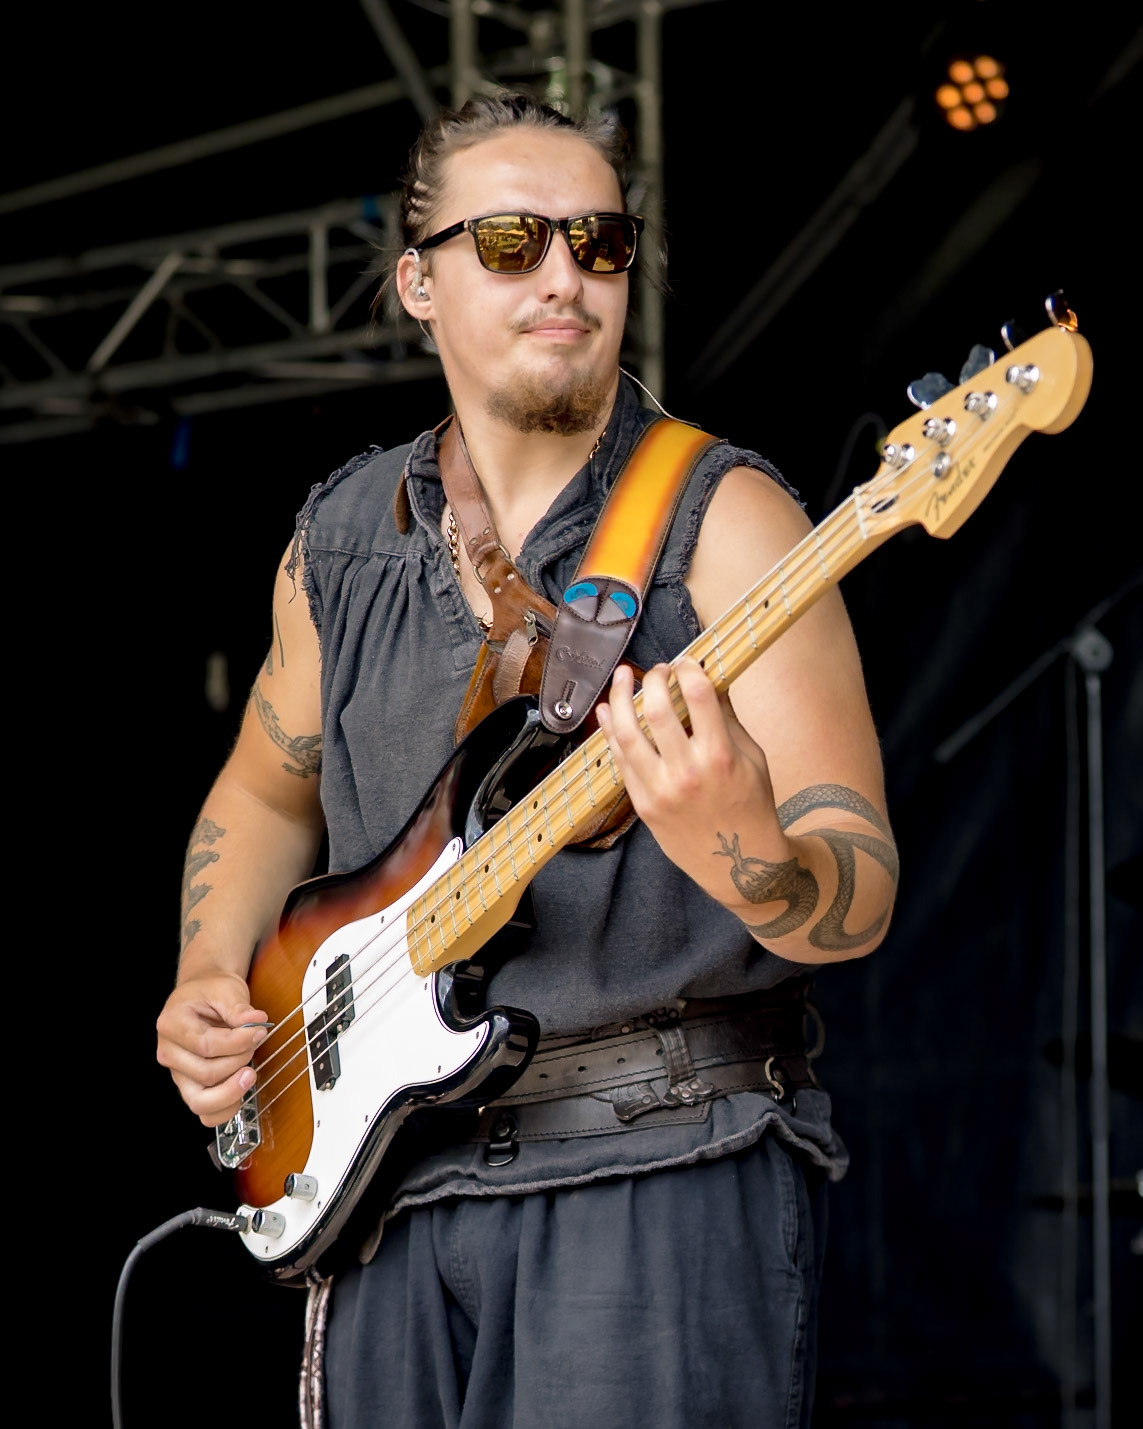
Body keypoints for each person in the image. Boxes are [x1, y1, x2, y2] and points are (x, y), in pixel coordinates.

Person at [156, 90, 898, 1429]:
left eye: (598, 243)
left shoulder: (728, 518)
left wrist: (751, 848)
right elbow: (265, 784)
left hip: (656, 1172)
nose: (564, 274)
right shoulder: (341, 537)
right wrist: (211, 973)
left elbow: (860, 889)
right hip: (390, 1190)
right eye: (509, 240)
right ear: (416, 281)